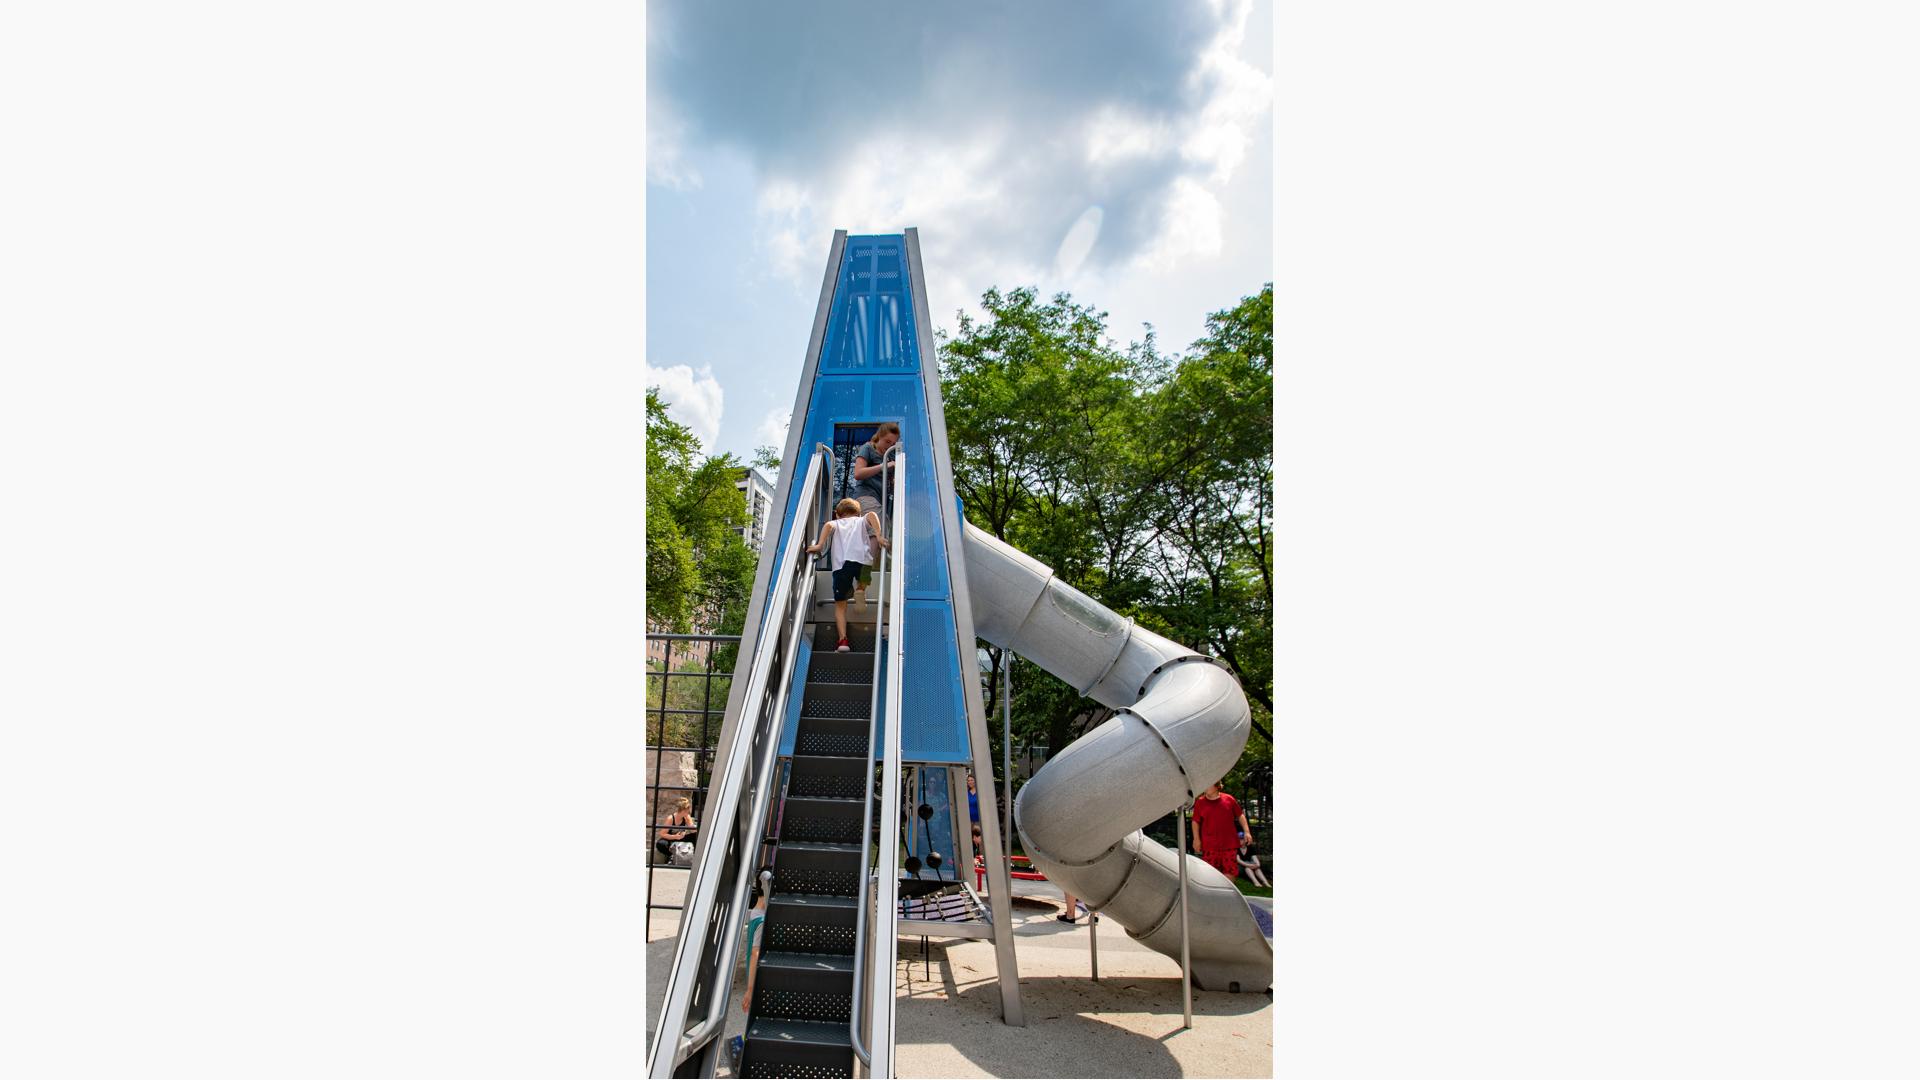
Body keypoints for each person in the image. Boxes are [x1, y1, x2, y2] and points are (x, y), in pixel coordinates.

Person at [805, 497, 889, 651]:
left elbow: (828, 525)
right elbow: (872, 515)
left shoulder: (836, 523)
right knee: (864, 577)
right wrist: (878, 535)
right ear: (858, 513)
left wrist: (819, 545)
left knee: (840, 606)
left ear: (837, 514)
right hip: (863, 562)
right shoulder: (861, 520)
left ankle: (843, 641)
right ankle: (860, 590)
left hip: (841, 566)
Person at [1189, 782, 1252, 879]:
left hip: (1229, 845)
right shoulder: (1200, 802)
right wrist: (1196, 839)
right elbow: (1195, 821)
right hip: (1209, 846)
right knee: (1209, 874)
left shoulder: (1229, 799)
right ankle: (1213, 893)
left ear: (1216, 785)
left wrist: (1247, 832)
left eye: (1208, 784)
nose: (1204, 787)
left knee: (1230, 872)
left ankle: (1227, 893)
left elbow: (1240, 815)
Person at [655, 796, 697, 863]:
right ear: (684, 810)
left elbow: (693, 830)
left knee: (696, 836)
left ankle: (695, 856)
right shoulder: (671, 818)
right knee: (660, 844)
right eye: (688, 810)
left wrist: (692, 825)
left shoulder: (686, 817)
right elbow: (662, 834)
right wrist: (675, 837)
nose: (689, 811)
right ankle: (672, 856)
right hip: (671, 839)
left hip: (681, 838)